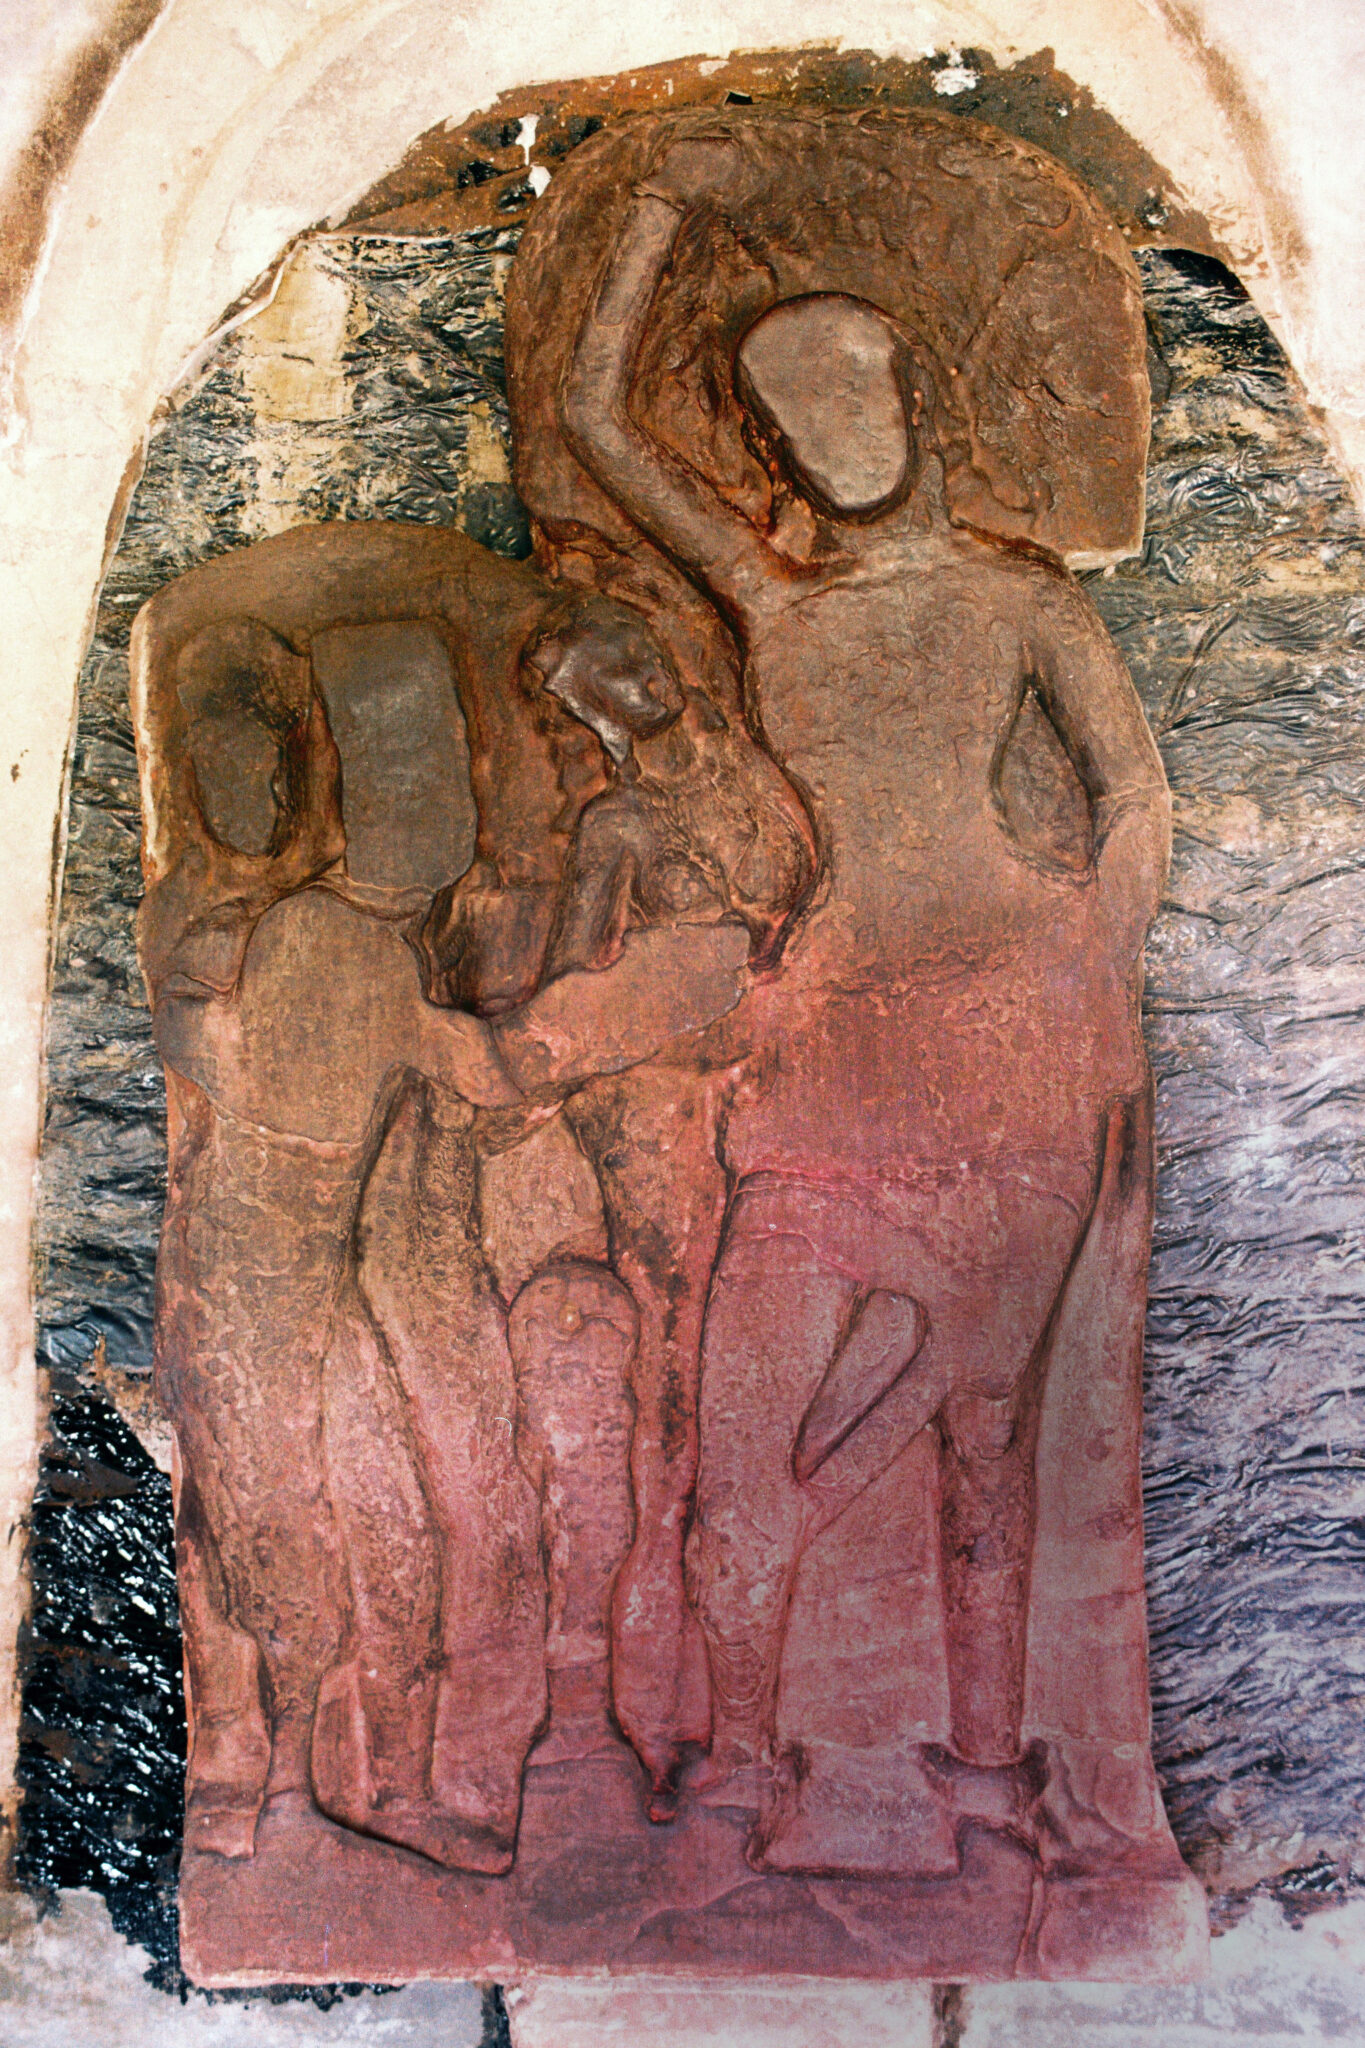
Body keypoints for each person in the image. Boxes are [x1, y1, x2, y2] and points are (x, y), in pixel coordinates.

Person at [560, 133, 1172, 1869]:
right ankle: (739, 1766)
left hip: (1003, 1034)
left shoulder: (1021, 601)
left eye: (856, 385)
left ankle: (989, 1769)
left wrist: (1091, 945)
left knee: (983, 1441)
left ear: (913, 397)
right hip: (830, 1036)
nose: (832, 423)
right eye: (792, 405)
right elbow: (603, 425)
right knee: (746, 1416)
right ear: (771, 441)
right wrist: (662, 212)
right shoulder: (773, 600)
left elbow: (1134, 792)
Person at [144, 606, 747, 1870]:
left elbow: (462, 1086)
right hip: (269, 1288)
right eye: (403, 783)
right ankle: (271, 1765)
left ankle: (378, 1775)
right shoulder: (323, 938)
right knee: (308, 1528)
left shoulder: (381, 935)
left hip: (357, 1264)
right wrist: (635, 1008)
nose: (437, 822)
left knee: (430, 1517)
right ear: (351, 793)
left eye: (443, 781)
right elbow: (476, 1069)